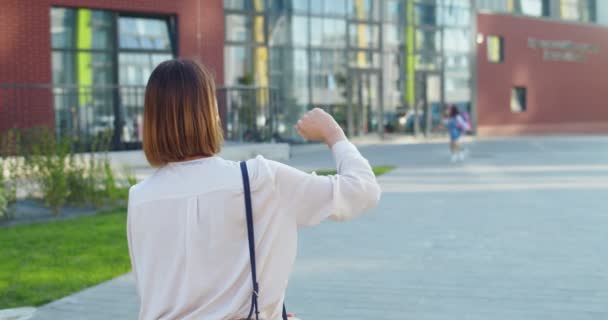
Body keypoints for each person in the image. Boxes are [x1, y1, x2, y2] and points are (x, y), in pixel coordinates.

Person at [127, 59, 381, 320]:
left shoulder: (140, 198)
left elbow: (162, 291)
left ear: (152, 120)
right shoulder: (260, 179)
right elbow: (362, 191)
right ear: (210, 113)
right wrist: (333, 133)